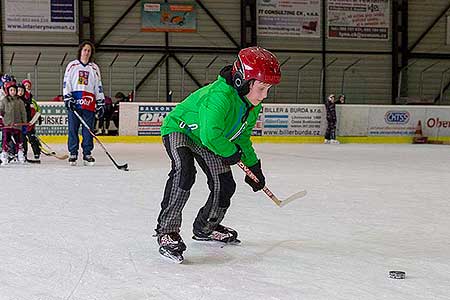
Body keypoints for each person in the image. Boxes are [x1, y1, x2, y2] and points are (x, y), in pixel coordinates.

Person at [155, 46, 281, 262]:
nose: (264, 96)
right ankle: (167, 231)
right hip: (181, 129)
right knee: (185, 172)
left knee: (225, 183)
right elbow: (210, 136)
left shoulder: (251, 104)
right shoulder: (219, 96)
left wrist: (253, 167)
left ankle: (206, 226)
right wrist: (231, 153)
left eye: (267, 89)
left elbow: (241, 136)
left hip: (209, 138)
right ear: (243, 81)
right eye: (261, 88)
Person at [63, 40, 105, 166]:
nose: (86, 52)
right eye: (84, 50)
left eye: (89, 50)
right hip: (75, 102)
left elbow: (98, 86)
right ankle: (73, 153)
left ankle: (87, 153)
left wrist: (101, 101)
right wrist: (67, 97)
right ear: (80, 51)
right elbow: (66, 82)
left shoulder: (94, 68)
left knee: (88, 130)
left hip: (89, 102)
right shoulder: (72, 66)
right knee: (73, 129)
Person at [0, 81, 27, 165]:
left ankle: (20, 155)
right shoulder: (4, 100)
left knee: (19, 141)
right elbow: (1, 110)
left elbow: (23, 112)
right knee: (6, 141)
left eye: (14, 90)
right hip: (7, 125)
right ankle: (4, 155)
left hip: (17, 125)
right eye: (11, 90)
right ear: (8, 91)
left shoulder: (20, 101)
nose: (13, 92)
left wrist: (24, 123)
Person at [17, 82, 41, 160]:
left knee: (32, 138)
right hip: (20, 124)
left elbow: (36, 111)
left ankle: (37, 152)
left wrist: (36, 118)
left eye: (29, 86)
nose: (27, 87)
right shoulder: (14, 100)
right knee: (22, 140)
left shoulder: (30, 100)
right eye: (18, 90)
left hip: (29, 123)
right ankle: (23, 154)